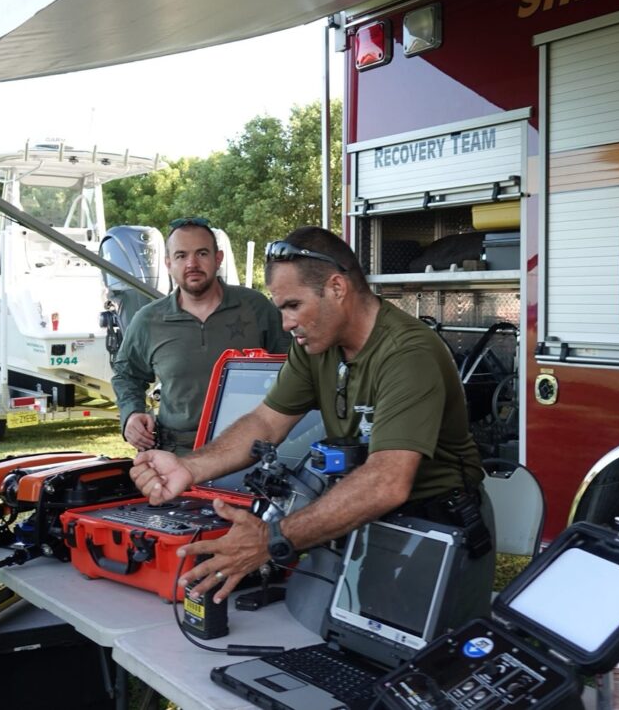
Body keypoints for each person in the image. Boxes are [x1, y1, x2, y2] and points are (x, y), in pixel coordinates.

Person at [131, 225, 494, 621]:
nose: (285, 323)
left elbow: (386, 481)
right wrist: (189, 466)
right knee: (328, 642)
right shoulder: (317, 342)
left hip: (438, 528)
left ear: (337, 288)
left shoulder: (408, 353)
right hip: (369, 518)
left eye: (292, 305)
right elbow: (265, 422)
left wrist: (272, 538)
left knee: (410, 667)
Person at [112, 216, 289, 455]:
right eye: (181, 255)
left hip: (249, 453)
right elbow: (126, 375)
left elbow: (294, 368)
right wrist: (132, 413)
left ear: (218, 259)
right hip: (177, 454)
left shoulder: (255, 307)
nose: (191, 263)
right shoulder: (148, 320)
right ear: (168, 263)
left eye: (202, 253)